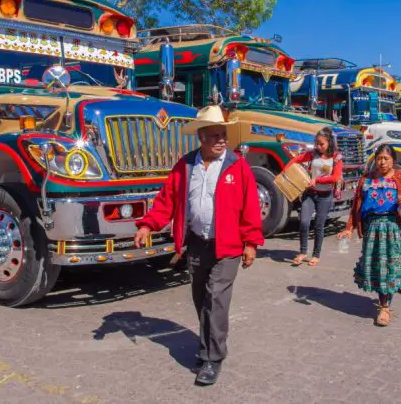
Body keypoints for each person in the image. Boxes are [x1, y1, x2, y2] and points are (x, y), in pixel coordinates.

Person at [134, 105, 263, 386]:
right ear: (201, 137)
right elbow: (166, 200)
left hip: (228, 246)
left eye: (224, 135)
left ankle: (212, 358)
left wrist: (251, 243)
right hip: (197, 244)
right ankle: (208, 346)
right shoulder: (186, 165)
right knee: (200, 298)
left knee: (215, 297)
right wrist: (147, 225)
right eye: (215, 135)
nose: (221, 140)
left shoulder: (237, 166)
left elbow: (250, 207)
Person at [336, 144, 401, 327]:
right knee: (379, 269)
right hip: (372, 231)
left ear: (393, 160)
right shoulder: (365, 180)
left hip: (394, 230)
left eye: (386, 158)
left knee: (389, 268)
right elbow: (356, 208)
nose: (382, 162)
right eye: (379, 158)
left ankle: (385, 307)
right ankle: (385, 300)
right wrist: (349, 228)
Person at [288, 127, 344, 267]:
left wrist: (318, 180)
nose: (318, 147)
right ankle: (303, 252)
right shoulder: (312, 154)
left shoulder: (337, 158)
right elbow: (296, 160)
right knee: (304, 222)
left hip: (325, 196)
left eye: (322, 144)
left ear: (329, 143)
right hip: (310, 194)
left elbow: (335, 177)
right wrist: (285, 172)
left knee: (319, 226)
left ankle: (316, 254)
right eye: (316, 144)